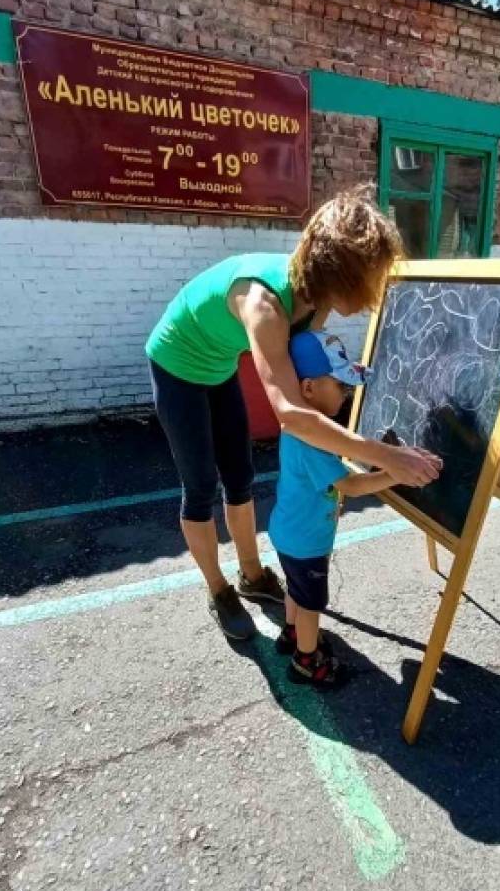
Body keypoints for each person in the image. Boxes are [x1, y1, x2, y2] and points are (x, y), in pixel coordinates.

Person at [145, 185, 442, 641]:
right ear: (338, 274)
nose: (372, 295)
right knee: (201, 485)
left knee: (240, 476)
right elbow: (289, 410)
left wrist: (343, 375)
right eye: (368, 278)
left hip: (219, 364)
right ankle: (219, 590)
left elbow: (307, 372)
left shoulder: (314, 303)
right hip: (177, 364)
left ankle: (251, 573)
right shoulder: (264, 305)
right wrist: (384, 457)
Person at [269, 330, 398, 688]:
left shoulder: (297, 426)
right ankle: (307, 660)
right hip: (306, 541)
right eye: (340, 385)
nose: (346, 393)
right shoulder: (313, 441)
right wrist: (394, 473)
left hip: (288, 531)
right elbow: (352, 486)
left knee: (296, 589)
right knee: (311, 603)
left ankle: (292, 633)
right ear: (307, 388)